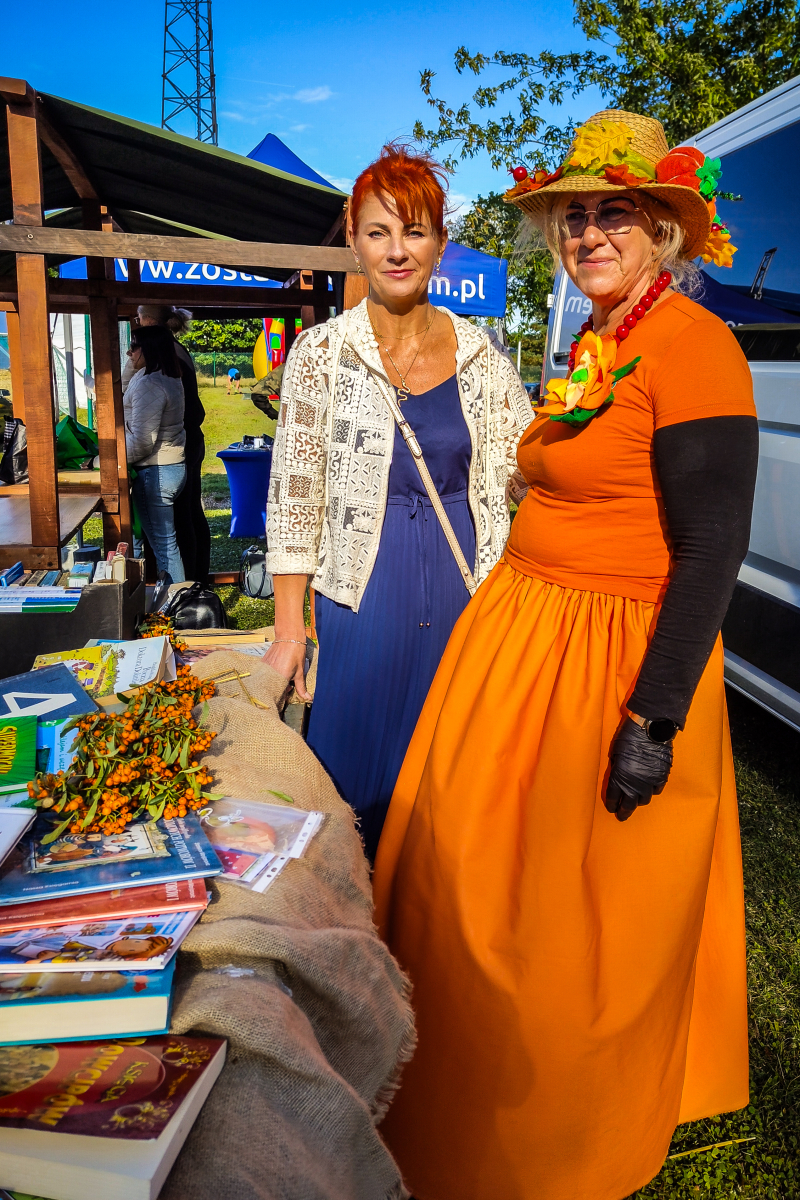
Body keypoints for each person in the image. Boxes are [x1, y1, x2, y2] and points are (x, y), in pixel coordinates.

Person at [373, 109, 758, 1199]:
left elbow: (710, 549)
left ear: (664, 232)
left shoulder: (696, 346)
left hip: (605, 671)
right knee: (468, 910)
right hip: (523, 646)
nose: (589, 233)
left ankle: (549, 1152)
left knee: (556, 943)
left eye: (615, 216)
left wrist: (652, 719)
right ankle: (449, 1122)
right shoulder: (604, 341)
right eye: (575, 216)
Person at [264, 143, 533, 861]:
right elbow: (294, 499)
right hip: (361, 603)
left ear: (440, 244)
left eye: (414, 231)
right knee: (348, 801)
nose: (396, 250)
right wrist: (292, 631)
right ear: (353, 240)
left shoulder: (484, 357)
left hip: (464, 601)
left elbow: (527, 471)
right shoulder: (321, 354)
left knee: (453, 804)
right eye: (378, 232)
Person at [135, 305, 211, 583]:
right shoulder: (176, 352)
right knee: (188, 515)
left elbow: (188, 412)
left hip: (175, 450)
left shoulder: (167, 359)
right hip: (185, 445)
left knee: (179, 523)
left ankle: (187, 584)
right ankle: (194, 580)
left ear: (147, 322)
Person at [124, 324, 186, 582]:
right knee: (165, 544)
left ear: (148, 349)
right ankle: (177, 603)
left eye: (134, 347)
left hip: (155, 472)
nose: (129, 353)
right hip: (169, 468)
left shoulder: (150, 383)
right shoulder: (165, 376)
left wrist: (103, 461)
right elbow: (125, 384)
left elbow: (141, 442)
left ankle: (179, 608)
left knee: (164, 547)